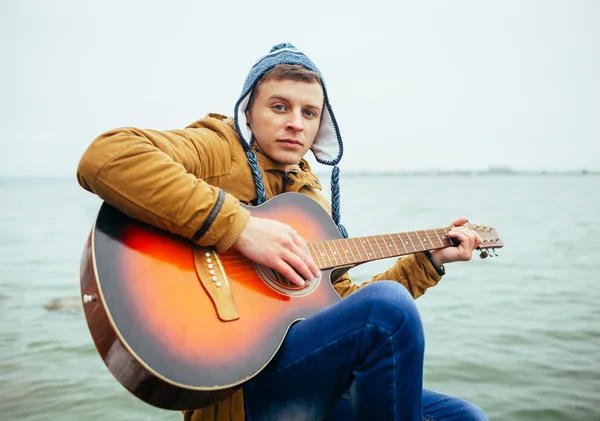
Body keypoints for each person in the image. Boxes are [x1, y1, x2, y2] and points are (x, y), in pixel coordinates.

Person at [77, 43, 488, 421]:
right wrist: (240, 229)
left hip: (299, 369)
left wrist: (428, 262)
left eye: (309, 113)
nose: (296, 124)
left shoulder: (309, 201)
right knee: (388, 306)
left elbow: (338, 307)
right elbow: (107, 157)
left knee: (465, 417)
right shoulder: (220, 148)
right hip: (238, 385)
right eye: (279, 107)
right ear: (248, 112)